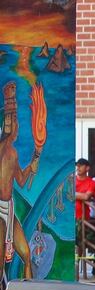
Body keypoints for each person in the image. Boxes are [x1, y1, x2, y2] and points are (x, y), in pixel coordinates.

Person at [0, 81, 39, 278]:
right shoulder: (5, 149)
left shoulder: (13, 152)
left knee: (26, 254)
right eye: (14, 121)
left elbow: (21, 181)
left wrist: (32, 165)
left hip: (9, 208)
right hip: (0, 209)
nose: (17, 126)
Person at [74, 157, 95, 222]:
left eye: (80, 166)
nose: (78, 168)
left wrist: (70, 193)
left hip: (83, 219)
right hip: (68, 217)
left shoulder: (92, 183)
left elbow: (86, 196)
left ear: (87, 168)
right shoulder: (70, 180)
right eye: (77, 166)